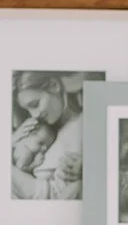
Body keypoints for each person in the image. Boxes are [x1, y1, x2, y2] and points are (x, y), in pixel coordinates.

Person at [10, 72, 87, 201]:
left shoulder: (81, 126)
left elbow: (59, 194)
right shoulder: (47, 130)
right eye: (27, 110)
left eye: (35, 104)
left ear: (54, 85)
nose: (34, 115)